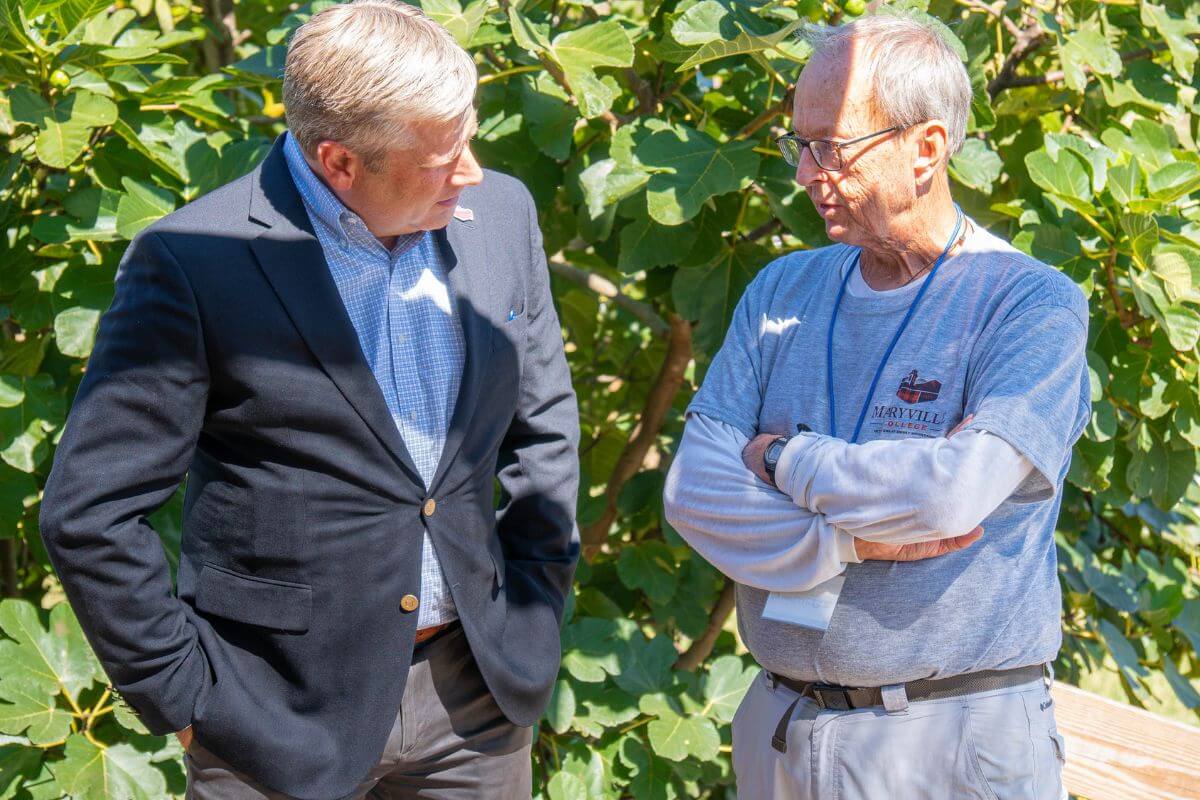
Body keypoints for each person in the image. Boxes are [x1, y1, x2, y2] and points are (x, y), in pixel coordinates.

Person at [39, 3, 579, 798]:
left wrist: (533, 613)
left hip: (478, 704)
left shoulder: (501, 214)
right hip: (273, 718)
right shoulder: (194, 261)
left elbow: (545, 427)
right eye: (442, 156)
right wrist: (184, 702)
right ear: (340, 162)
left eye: (469, 135)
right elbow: (90, 512)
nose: (470, 171)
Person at [664, 14, 1088, 800]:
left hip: (945, 742)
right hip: (782, 729)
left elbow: (948, 496)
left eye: (831, 146)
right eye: (800, 144)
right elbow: (694, 494)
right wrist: (850, 540)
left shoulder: (1029, 305)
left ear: (926, 148)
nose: (805, 173)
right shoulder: (782, 289)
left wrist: (782, 458)